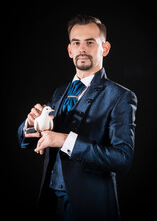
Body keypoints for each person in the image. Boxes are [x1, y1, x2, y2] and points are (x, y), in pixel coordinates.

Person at [18, 14, 137, 221]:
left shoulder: (121, 97)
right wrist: (31, 124)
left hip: (90, 207)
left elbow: (122, 159)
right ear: (70, 50)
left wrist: (65, 140)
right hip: (50, 201)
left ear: (105, 48)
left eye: (90, 42)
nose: (82, 49)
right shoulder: (59, 92)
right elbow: (32, 141)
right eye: (76, 42)